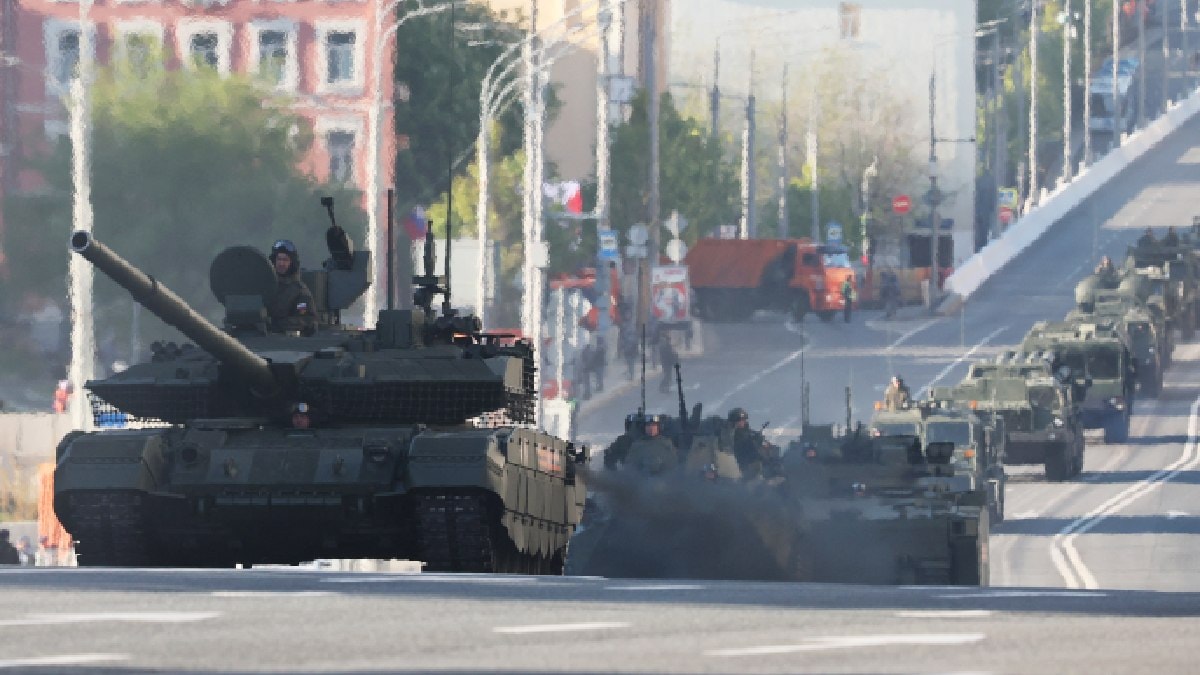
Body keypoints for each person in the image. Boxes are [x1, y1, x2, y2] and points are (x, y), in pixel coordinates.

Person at [268, 239, 317, 335]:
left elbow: (306, 319)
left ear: (292, 262)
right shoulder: (264, 285)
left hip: (284, 337)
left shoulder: (299, 291)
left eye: (285, 260)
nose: (281, 263)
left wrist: (276, 324)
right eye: (279, 259)